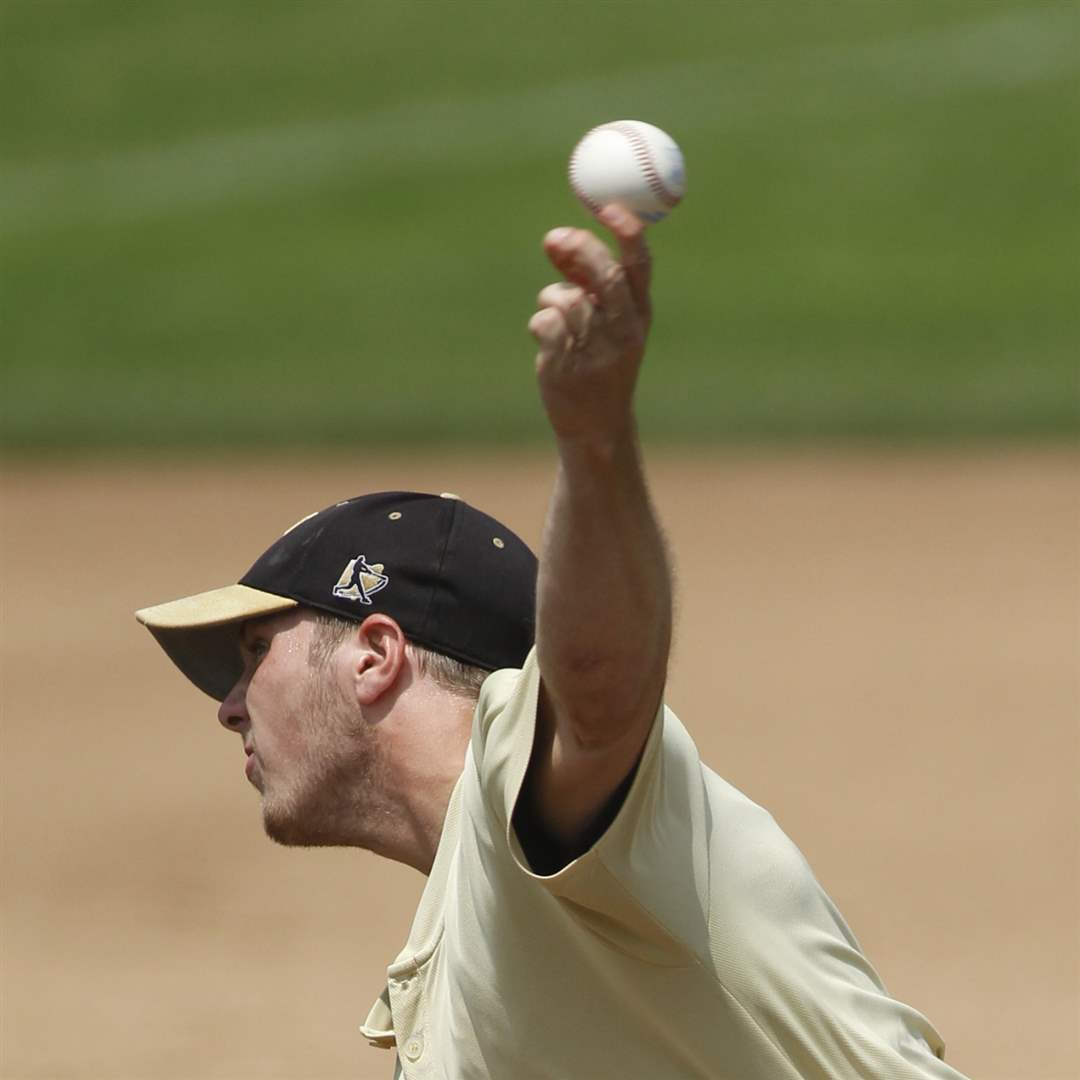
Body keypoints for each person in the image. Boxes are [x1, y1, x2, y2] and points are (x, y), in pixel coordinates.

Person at [137, 205, 969, 1079]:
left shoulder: (516, 792)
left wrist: (594, 439)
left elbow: (600, 695)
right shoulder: (448, 966)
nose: (228, 707)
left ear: (375, 656)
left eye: (254, 651)